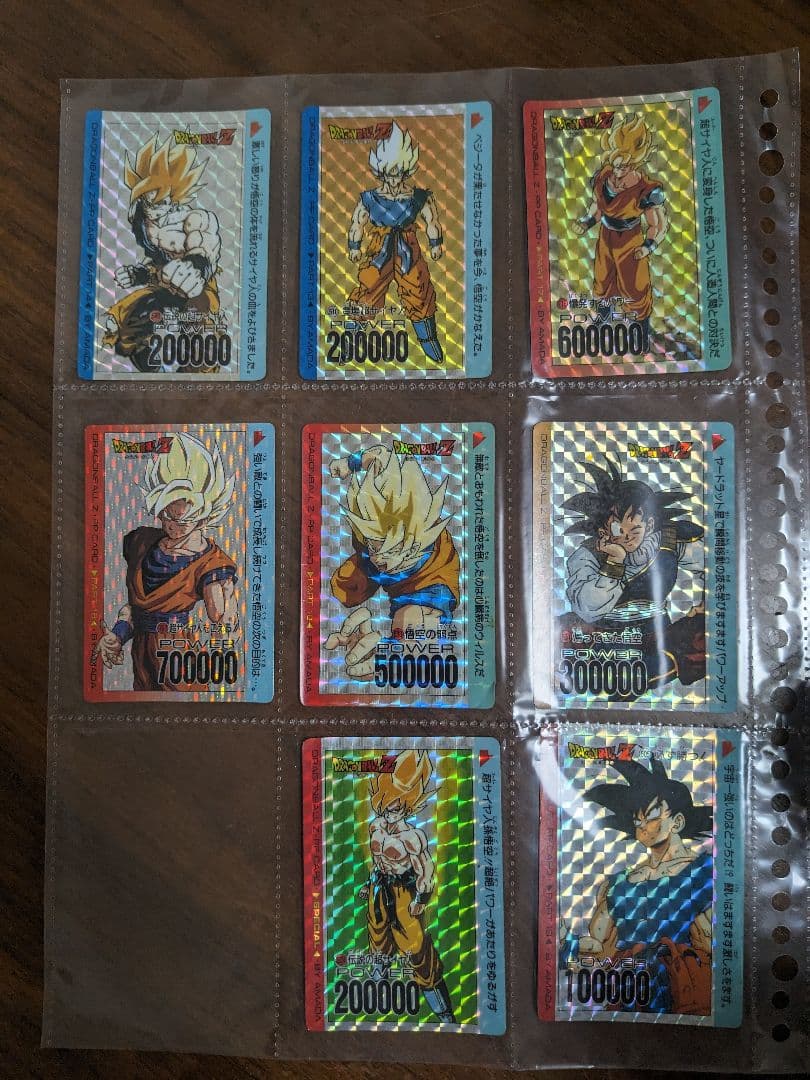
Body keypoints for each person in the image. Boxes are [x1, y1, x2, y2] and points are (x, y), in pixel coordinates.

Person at [561, 754, 713, 1016]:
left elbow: (720, 946)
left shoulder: (705, 873)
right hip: (627, 993)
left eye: (651, 815)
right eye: (637, 820)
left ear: (677, 822)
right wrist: (565, 941)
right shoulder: (616, 885)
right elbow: (598, 949)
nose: (642, 826)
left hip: (684, 994)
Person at [91, 432, 237, 691]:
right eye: (167, 517)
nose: (173, 526)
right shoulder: (141, 542)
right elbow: (135, 609)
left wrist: (227, 601)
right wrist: (117, 636)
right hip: (142, 658)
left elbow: (220, 618)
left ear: (202, 519)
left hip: (178, 657)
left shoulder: (210, 563)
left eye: (183, 521)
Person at [561, 456, 705, 697]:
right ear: (603, 528)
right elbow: (587, 608)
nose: (626, 537)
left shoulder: (669, 541)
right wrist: (614, 563)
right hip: (602, 643)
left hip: (657, 638)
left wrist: (706, 607)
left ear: (650, 523)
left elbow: (716, 565)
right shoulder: (586, 555)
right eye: (617, 529)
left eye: (635, 529)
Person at [325, 444, 459, 680]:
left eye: (389, 547)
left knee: (410, 618)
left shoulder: (435, 577)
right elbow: (381, 454)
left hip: (420, 579)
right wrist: (351, 463)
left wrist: (387, 657)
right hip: (380, 565)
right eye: (375, 546)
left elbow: (419, 639)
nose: (380, 558)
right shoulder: (372, 546)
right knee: (346, 585)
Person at [104, 134, 222, 372]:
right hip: (164, 289)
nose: (165, 214)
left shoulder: (192, 218)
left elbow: (205, 239)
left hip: (197, 289)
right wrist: (138, 275)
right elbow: (156, 270)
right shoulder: (146, 225)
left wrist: (196, 265)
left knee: (200, 327)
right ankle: (152, 371)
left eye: (168, 204)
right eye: (155, 207)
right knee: (131, 325)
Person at [359, 749, 455, 1022]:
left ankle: (443, 1010)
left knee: (415, 947)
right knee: (378, 937)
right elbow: (378, 862)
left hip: (404, 892)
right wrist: (369, 883)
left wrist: (421, 899)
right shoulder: (376, 826)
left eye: (397, 805)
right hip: (379, 887)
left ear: (407, 804)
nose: (391, 810)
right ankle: (376, 991)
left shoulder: (413, 837)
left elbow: (425, 869)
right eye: (388, 803)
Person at [346, 121, 445, 363]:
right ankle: (351, 336)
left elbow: (431, 220)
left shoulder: (418, 197)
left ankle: (429, 339)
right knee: (369, 288)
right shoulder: (370, 198)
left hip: (408, 247)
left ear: (406, 170)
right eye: (389, 173)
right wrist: (354, 247)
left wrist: (435, 243)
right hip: (378, 248)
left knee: (418, 289)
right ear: (380, 171)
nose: (393, 179)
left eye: (398, 173)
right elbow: (357, 223)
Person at [573, 114, 668, 339]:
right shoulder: (604, 177)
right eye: (615, 165)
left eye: (623, 167)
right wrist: (587, 222)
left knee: (634, 286)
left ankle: (641, 330)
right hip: (606, 238)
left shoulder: (645, 189)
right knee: (603, 280)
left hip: (630, 241)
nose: (617, 172)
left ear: (634, 163)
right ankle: (603, 319)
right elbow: (598, 206)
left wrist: (648, 246)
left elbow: (658, 224)